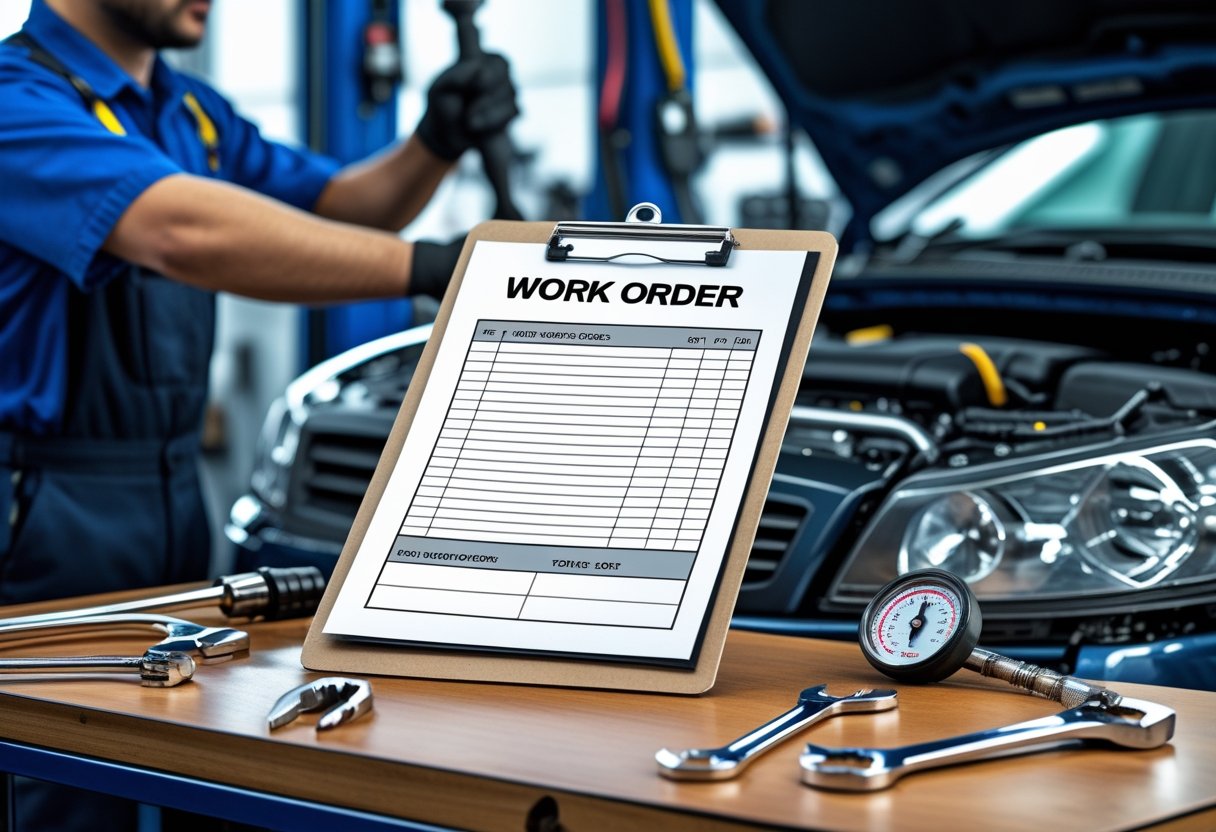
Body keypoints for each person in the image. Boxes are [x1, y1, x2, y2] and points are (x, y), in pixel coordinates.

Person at [0, 0, 517, 828]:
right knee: (60, 791)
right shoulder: (13, 100)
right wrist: (444, 269)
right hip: (46, 509)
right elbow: (181, 230)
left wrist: (434, 144)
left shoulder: (190, 112)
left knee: (180, 765)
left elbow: (344, 211)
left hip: (170, 493)